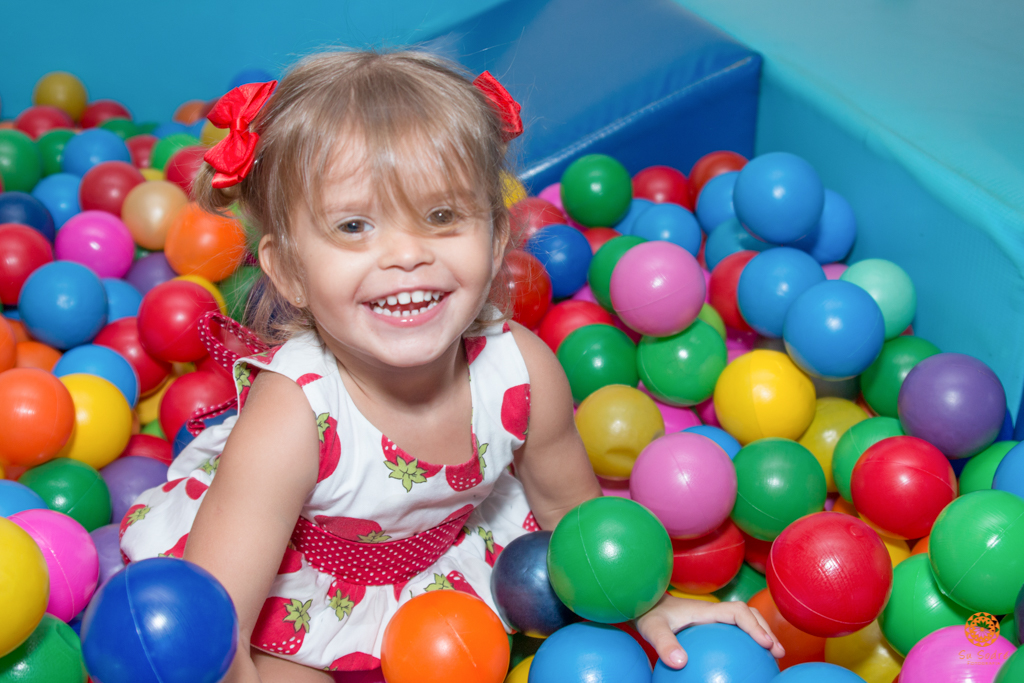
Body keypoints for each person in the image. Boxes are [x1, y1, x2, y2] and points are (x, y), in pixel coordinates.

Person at [119, 50, 784, 682]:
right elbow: (221, 619)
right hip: (297, 580)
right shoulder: (291, 416)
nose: (406, 254)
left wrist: (645, 606)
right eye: (354, 226)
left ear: (497, 242)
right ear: (288, 270)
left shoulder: (522, 370)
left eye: (441, 216)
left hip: (446, 564)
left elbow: (570, 510)